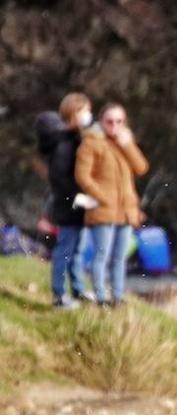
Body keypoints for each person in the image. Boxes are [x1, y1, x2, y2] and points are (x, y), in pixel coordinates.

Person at [75, 103, 149, 307]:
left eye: (119, 121)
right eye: (110, 121)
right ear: (101, 122)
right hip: (103, 210)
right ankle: (100, 295)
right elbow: (82, 176)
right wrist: (102, 197)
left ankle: (117, 295)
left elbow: (141, 167)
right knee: (101, 255)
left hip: (126, 211)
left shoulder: (125, 141)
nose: (114, 126)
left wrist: (128, 145)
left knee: (120, 257)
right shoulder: (91, 143)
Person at [35, 93, 91, 308]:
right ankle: (59, 295)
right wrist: (77, 197)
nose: (89, 115)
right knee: (65, 250)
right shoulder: (64, 144)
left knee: (77, 249)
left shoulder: (71, 140)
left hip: (74, 205)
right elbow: (59, 178)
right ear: (74, 113)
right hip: (69, 206)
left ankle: (77, 289)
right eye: (85, 110)